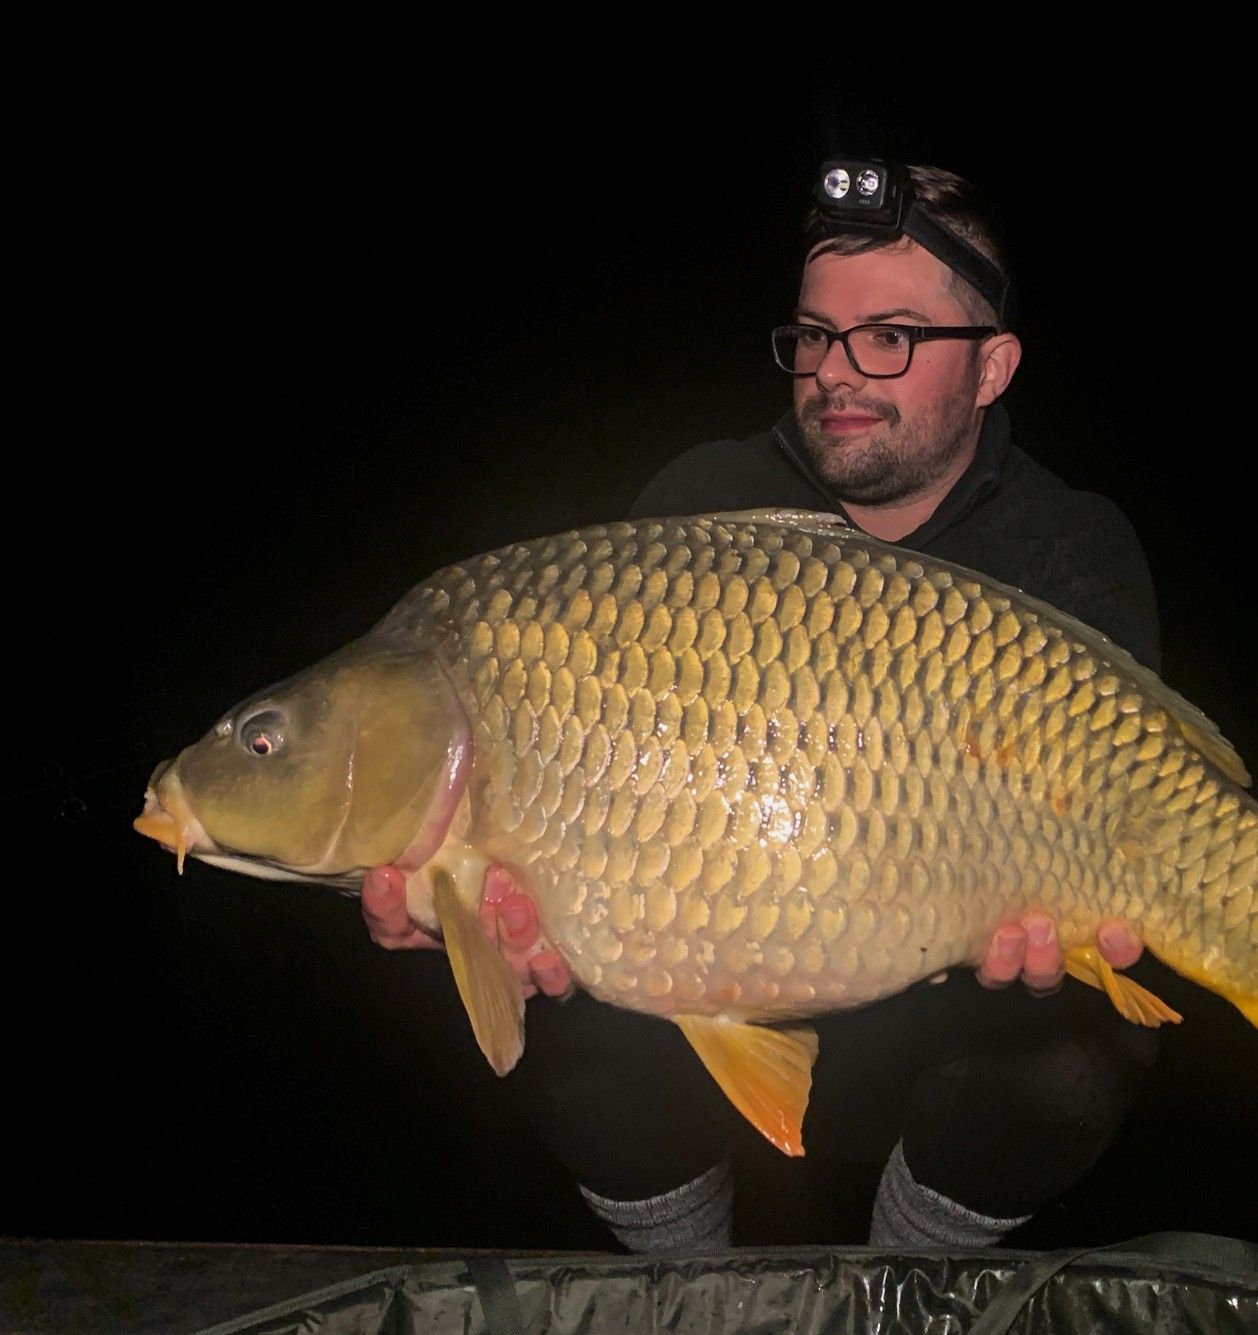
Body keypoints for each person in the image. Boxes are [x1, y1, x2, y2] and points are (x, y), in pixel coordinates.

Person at [362, 164, 1164, 1251]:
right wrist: (467, 898)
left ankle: (902, 1299)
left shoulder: (1070, 549)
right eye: (813, 336)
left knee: (1084, 1055)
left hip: (951, 1044)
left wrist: (1057, 924)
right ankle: (690, 1304)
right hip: (700, 1013)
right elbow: (566, 777)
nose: (836, 373)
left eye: (888, 338)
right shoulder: (701, 509)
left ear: (990, 368)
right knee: (553, 1028)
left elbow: (1127, 828)